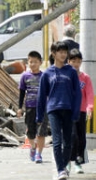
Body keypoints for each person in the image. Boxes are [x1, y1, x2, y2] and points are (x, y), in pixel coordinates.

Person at [36, 41, 82, 180]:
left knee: (68, 141)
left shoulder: (71, 72)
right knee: (57, 141)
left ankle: (64, 165)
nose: (63, 54)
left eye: (64, 52)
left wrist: (76, 111)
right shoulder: (47, 74)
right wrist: (39, 116)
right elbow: (41, 96)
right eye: (60, 52)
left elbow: (77, 94)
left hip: (68, 109)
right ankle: (61, 169)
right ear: (54, 54)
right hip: (53, 110)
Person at [17, 51, 48, 163]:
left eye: (35, 62)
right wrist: (20, 108)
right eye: (31, 62)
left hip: (42, 108)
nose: (33, 64)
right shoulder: (24, 76)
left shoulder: (44, 76)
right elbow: (21, 93)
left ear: (40, 62)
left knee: (41, 132)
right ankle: (33, 148)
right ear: (27, 62)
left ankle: (39, 154)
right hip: (30, 107)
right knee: (30, 131)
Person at [67, 49, 95, 174]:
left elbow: (89, 94)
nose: (76, 64)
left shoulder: (85, 78)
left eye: (78, 61)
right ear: (68, 62)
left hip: (81, 111)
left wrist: (90, 108)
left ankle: (78, 163)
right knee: (72, 137)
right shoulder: (65, 77)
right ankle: (67, 161)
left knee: (82, 138)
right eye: (73, 61)